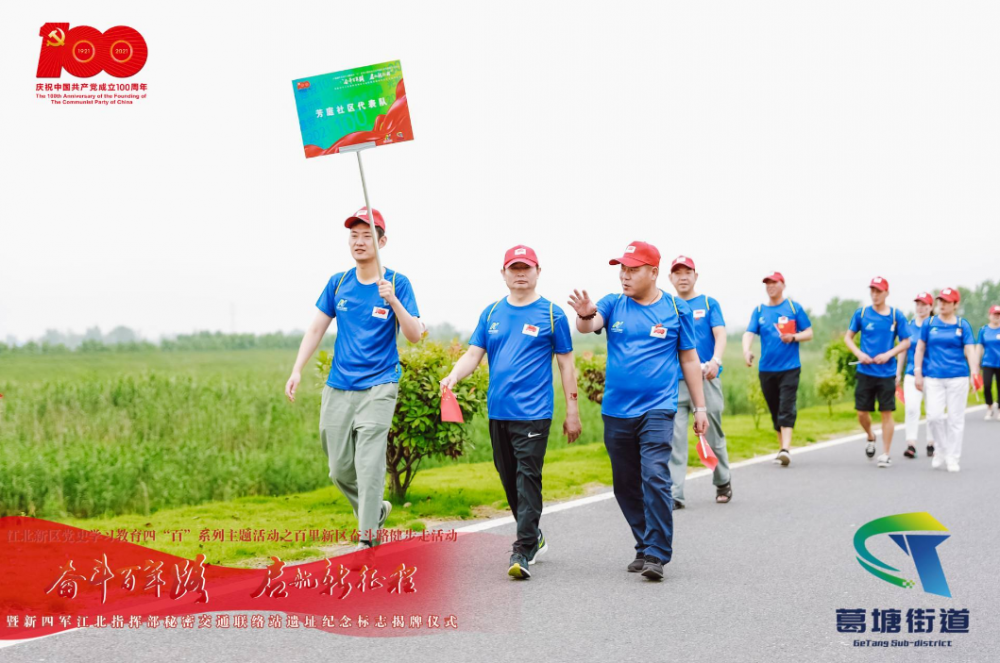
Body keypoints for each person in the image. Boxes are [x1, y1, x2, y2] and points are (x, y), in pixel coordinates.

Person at [568, 241, 708, 582]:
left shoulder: (675, 309)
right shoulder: (613, 303)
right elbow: (588, 325)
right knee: (625, 484)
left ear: (653, 272)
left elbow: (689, 359)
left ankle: (657, 552)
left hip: (658, 408)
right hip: (616, 411)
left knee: (655, 475)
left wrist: (700, 407)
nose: (624, 276)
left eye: (632, 269)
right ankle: (644, 543)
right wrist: (584, 314)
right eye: (622, 269)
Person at [441, 245, 581, 580]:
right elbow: (473, 354)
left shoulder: (552, 314)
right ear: (503, 273)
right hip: (499, 412)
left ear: (538, 272)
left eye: (526, 268)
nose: (520, 274)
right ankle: (534, 535)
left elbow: (566, 365)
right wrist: (453, 376)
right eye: (514, 268)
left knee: (527, 477)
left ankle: (522, 549)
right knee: (509, 479)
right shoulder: (491, 313)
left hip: (534, 412)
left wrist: (572, 410)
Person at [285, 207, 423, 548]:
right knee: (339, 469)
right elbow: (316, 328)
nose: (359, 242)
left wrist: (393, 301)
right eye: (354, 235)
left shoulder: (397, 283)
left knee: (369, 464)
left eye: (367, 236)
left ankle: (367, 539)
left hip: (380, 385)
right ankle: (375, 511)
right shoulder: (339, 283)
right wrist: (297, 368)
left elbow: (415, 335)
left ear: (382, 242)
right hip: (339, 386)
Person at [666, 255, 732, 507]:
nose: (683, 277)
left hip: (706, 379)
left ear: (696, 276)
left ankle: (722, 481)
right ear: (670, 277)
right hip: (675, 383)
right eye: (677, 273)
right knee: (675, 439)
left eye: (687, 272)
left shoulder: (708, 303)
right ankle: (675, 493)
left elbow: (720, 334)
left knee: (713, 435)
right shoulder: (667, 305)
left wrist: (716, 360)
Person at [741, 272, 813, 466]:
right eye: (768, 283)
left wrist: (794, 337)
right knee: (775, 410)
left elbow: (809, 332)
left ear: (783, 285)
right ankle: (782, 450)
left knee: (786, 406)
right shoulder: (759, 310)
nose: (771, 286)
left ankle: (785, 449)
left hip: (790, 367)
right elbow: (749, 333)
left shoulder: (793, 308)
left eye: (774, 282)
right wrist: (747, 350)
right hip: (766, 368)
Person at [844, 277, 909, 468]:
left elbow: (906, 341)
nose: (875, 294)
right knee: (861, 413)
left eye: (879, 291)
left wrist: (889, 354)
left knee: (886, 413)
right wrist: (859, 353)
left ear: (886, 293)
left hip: (886, 372)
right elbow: (848, 338)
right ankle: (870, 435)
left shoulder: (896, 315)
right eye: (872, 291)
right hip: (865, 371)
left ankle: (886, 453)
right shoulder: (862, 313)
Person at [914, 288, 979, 473]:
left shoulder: (962, 325)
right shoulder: (929, 323)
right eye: (940, 301)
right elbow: (920, 348)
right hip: (934, 377)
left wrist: (974, 373)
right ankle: (941, 449)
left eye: (947, 301)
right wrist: (918, 372)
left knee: (955, 419)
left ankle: (953, 456)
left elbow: (970, 350)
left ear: (955, 305)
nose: (942, 304)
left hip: (957, 377)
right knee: (933, 417)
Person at [896, 292, 936, 459]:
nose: (920, 308)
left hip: (933, 374)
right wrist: (898, 373)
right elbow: (902, 350)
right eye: (917, 304)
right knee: (911, 408)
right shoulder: (908, 326)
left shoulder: (936, 326)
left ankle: (931, 442)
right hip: (912, 373)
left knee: (933, 411)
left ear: (930, 307)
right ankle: (911, 444)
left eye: (923, 304)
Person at [979, 305, 1000, 420]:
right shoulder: (984, 330)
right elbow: (979, 347)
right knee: (987, 385)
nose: (997, 316)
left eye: (999, 314)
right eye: (995, 314)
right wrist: (976, 363)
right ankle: (990, 407)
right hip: (988, 362)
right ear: (989, 315)